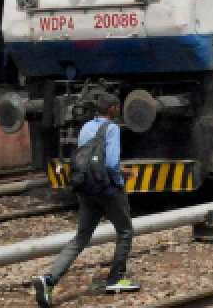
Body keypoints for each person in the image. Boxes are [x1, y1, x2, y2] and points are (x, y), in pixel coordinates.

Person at [32, 93, 140, 306]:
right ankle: (116, 279)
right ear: (112, 110)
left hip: (87, 190)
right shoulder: (112, 129)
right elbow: (109, 164)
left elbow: (87, 158)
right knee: (125, 231)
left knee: (80, 238)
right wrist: (120, 180)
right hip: (108, 191)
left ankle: (49, 279)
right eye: (117, 108)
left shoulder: (86, 127)